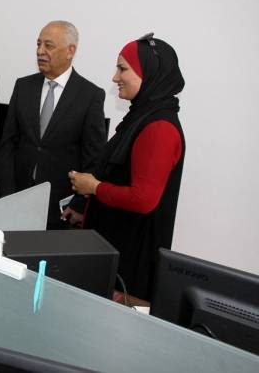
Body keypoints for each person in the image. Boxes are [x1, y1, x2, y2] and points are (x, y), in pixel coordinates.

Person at [68, 34, 185, 300]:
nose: (115, 77)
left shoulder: (159, 128)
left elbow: (143, 199)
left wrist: (94, 188)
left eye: (122, 69)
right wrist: (86, 207)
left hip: (130, 265)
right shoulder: (141, 117)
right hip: (117, 248)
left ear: (149, 73)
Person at [0, 21, 106, 229]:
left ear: (70, 51)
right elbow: (7, 145)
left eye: (48, 45)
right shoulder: (23, 86)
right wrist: (7, 193)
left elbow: (93, 158)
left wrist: (79, 203)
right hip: (18, 197)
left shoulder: (90, 95)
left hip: (60, 206)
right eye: (38, 44)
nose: (40, 51)